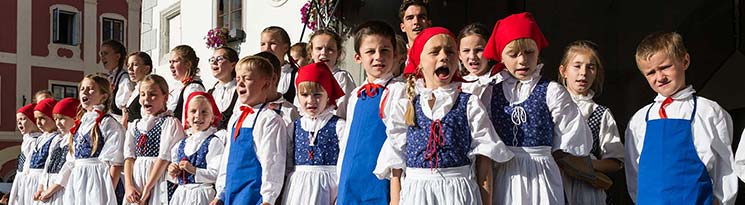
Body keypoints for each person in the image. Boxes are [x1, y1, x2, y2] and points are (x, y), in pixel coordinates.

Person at [375, 27, 514, 205]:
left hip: (458, 193)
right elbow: (395, 164)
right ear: (419, 62)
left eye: (450, 51)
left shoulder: (469, 104)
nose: (443, 56)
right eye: (434, 52)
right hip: (417, 194)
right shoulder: (406, 105)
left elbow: (484, 161)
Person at [482, 12, 592, 205]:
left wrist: (552, 153)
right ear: (501, 56)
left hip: (542, 172)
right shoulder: (490, 93)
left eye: (529, 52)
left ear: (538, 52)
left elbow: (572, 132)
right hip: (505, 173)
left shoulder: (551, 91)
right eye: (513, 54)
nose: (522, 60)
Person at [625, 31, 737, 204]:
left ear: (685, 61)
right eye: (651, 73)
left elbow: (725, 168)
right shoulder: (639, 120)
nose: (660, 77)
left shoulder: (709, 111)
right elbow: (634, 173)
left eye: (665, 67)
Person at [336, 20, 407, 205]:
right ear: (358, 57)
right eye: (370, 51)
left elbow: (398, 144)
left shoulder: (398, 90)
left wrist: (396, 194)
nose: (378, 57)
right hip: (349, 182)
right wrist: (339, 184)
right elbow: (346, 145)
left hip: (379, 183)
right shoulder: (355, 95)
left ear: (396, 54)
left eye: (384, 50)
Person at [212, 56, 288, 205]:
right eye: (238, 78)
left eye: (247, 78)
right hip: (233, 193)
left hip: (253, 195)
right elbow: (227, 159)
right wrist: (220, 193)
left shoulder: (269, 119)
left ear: (265, 84)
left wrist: (268, 198)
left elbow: (272, 161)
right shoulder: (236, 117)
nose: (240, 82)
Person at [558, 40, 623, 204]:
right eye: (577, 66)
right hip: (554, 183)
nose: (583, 73)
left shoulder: (601, 114)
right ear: (563, 71)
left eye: (590, 67)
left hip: (586, 190)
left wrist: (584, 165)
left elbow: (615, 162)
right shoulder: (549, 107)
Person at [281, 62, 345, 205]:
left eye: (317, 95)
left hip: (328, 188)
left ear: (328, 96)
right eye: (304, 95)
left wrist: (341, 191)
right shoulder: (294, 126)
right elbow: (288, 161)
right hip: (298, 189)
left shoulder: (339, 125)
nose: (311, 101)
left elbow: (344, 161)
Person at [62, 74, 125, 205]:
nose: (84, 91)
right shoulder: (80, 124)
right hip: (79, 181)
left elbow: (116, 162)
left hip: (98, 182)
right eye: (82, 88)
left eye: (91, 89)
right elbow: (72, 161)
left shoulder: (107, 123)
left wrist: (108, 193)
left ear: (104, 96)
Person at [123, 74, 184, 205]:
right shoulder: (135, 125)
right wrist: (129, 186)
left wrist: (147, 188)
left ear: (165, 97)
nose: (147, 99)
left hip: (158, 179)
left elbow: (164, 158)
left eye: (153, 94)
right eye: (143, 94)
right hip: (137, 179)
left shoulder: (170, 123)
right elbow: (129, 157)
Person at [166, 92, 225, 205]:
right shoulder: (180, 145)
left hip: (201, 194)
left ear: (212, 118)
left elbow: (216, 174)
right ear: (187, 118)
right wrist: (172, 170)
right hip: (181, 196)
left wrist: (194, 170)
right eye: (193, 111)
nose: (198, 115)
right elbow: (175, 178)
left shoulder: (213, 142)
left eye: (204, 112)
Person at [35, 98, 78, 205]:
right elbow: (47, 165)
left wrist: (52, 189)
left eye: (62, 118)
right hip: (48, 187)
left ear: (75, 118)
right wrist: (41, 186)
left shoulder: (76, 139)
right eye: (56, 119)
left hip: (63, 189)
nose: (58, 123)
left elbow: (69, 167)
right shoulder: (57, 140)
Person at [307, 29, 356, 119]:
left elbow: (343, 110)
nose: (324, 53)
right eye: (319, 48)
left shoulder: (341, 78)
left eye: (330, 49)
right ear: (311, 53)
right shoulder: (304, 77)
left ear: (338, 53)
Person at [8, 103, 42, 205]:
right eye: (18, 121)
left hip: (30, 181)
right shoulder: (27, 139)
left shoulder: (37, 141)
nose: (19, 123)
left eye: (23, 119)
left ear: (33, 120)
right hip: (21, 179)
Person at [167, 45, 206, 122]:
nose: (171, 66)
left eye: (175, 61)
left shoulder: (193, 88)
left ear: (188, 64)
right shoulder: (177, 87)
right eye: (170, 62)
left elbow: (191, 119)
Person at [458, 23, 496, 98]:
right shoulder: (456, 85)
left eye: (479, 50)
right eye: (466, 51)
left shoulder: (501, 79)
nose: (472, 56)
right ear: (459, 55)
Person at [261, 26, 298, 103]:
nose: (267, 48)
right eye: (263, 44)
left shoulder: (295, 75)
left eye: (272, 43)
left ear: (285, 47)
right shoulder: (256, 73)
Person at [207, 47, 240, 131]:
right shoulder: (210, 93)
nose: (214, 62)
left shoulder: (239, 90)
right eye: (212, 59)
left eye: (219, 59)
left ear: (233, 65)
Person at [100, 40, 133, 122]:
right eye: (101, 54)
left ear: (117, 56)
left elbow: (124, 109)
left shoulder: (124, 78)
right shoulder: (111, 77)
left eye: (106, 53)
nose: (102, 57)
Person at [123, 52, 153, 127]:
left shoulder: (150, 91)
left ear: (146, 69)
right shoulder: (136, 90)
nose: (130, 69)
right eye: (128, 65)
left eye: (135, 65)